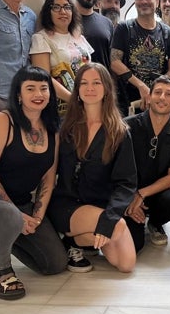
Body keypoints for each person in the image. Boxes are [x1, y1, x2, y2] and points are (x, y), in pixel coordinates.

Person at [0, 66, 67, 300]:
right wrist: (16, 215)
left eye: (44, 88)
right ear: (18, 95)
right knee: (7, 216)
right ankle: (1, 271)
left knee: (54, 264)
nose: (38, 93)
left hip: (21, 205)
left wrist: (37, 217)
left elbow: (48, 178)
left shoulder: (52, 131)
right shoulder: (1, 121)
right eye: (30, 88)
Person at [48, 63, 138, 273]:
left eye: (96, 83)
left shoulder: (119, 131)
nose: (90, 88)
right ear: (77, 89)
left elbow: (127, 184)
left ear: (107, 88)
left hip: (99, 205)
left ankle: (74, 240)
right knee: (119, 227)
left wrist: (109, 216)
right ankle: (78, 235)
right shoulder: (64, 127)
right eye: (84, 83)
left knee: (125, 264)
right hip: (67, 203)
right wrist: (112, 223)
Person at [125, 76, 170, 249]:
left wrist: (141, 194)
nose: (162, 98)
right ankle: (132, 217)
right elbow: (114, 170)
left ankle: (155, 223)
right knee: (134, 245)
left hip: (156, 192)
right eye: (158, 92)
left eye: (168, 94)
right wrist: (130, 197)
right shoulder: (127, 126)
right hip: (126, 192)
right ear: (149, 97)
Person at [110, 0, 170, 115]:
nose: (143, 1)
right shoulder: (124, 28)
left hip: (158, 101)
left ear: (156, 1)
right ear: (135, 2)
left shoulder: (168, 33)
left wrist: (156, 89)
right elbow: (114, 62)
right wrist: (141, 85)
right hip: (128, 102)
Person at [30, 0, 93, 115]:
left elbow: (91, 68)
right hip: (61, 107)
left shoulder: (79, 37)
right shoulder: (41, 38)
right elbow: (44, 78)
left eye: (67, 7)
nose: (63, 12)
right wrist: (74, 100)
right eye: (56, 7)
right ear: (48, 12)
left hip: (86, 102)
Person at [71, 0, 114, 69]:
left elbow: (112, 61)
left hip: (103, 82)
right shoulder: (65, 21)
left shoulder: (107, 23)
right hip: (73, 83)